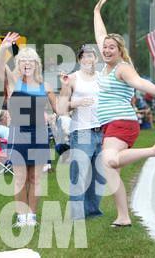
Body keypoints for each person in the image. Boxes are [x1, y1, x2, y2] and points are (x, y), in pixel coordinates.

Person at [94, 0, 155, 227]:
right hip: (112, 124)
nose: (106, 50)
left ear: (120, 50)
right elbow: (100, 35)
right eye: (105, 48)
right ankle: (123, 217)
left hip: (120, 122)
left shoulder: (122, 68)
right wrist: (96, 12)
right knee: (112, 170)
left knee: (108, 160)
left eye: (112, 47)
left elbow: (141, 83)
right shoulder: (106, 65)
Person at [0, 32, 57, 227]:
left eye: (31, 60)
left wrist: (52, 115)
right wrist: (4, 48)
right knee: (21, 178)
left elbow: (56, 108)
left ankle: (32, 216)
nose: (27, 63)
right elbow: (0, 67)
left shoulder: (44, 85)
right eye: (23, 60)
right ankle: (21, 217)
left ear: (36, 64)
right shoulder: (14, 83)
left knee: (35, 178)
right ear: (19, 63)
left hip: (39, 134)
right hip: (19, 133)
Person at [57, 44, 106, 219]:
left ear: (96, 59)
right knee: (79, 174)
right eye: (84, 56)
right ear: (79, 59)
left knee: (99, 175)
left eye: (90, 56)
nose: (87, 59)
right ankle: (76, 214)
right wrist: (75, 103)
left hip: (102, 131)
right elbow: (60, 108)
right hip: (82, 131)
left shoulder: (103, 78)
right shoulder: (71, 78)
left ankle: (93, 211)